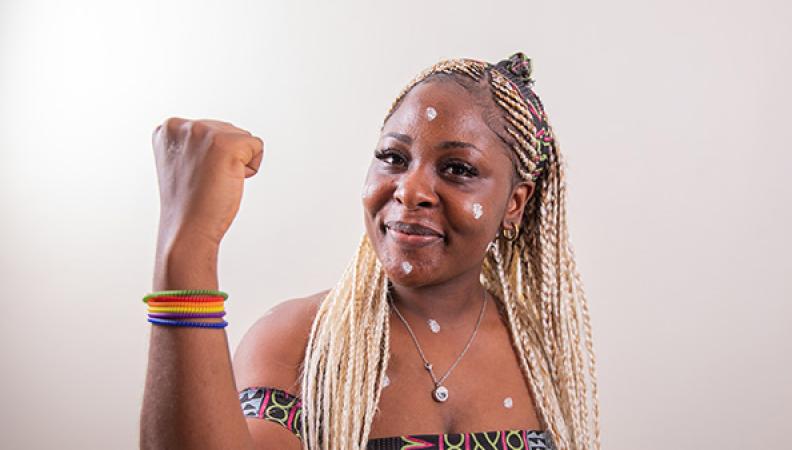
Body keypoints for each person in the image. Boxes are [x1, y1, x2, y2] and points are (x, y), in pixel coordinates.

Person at [140, 52, 600, 450]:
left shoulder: (537, 350)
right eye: (394, 158)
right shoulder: (300, 342)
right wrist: (188, 244)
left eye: (458, 168)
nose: (410, 190)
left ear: (514, 204)